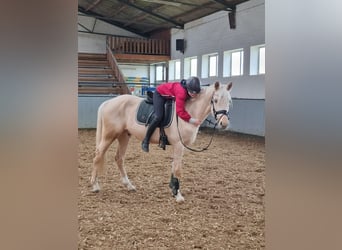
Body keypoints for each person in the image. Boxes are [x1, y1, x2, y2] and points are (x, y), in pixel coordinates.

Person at [141, 76, 202, 152]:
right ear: (187, 88)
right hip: (159, 94)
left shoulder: (191, 89)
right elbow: (180, 111)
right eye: (192, 92)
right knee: (158, 116)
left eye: (195, 93)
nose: (194, 95)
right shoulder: (181, 93)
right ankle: (146, 140)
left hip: (169, 95)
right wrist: (191, 120)